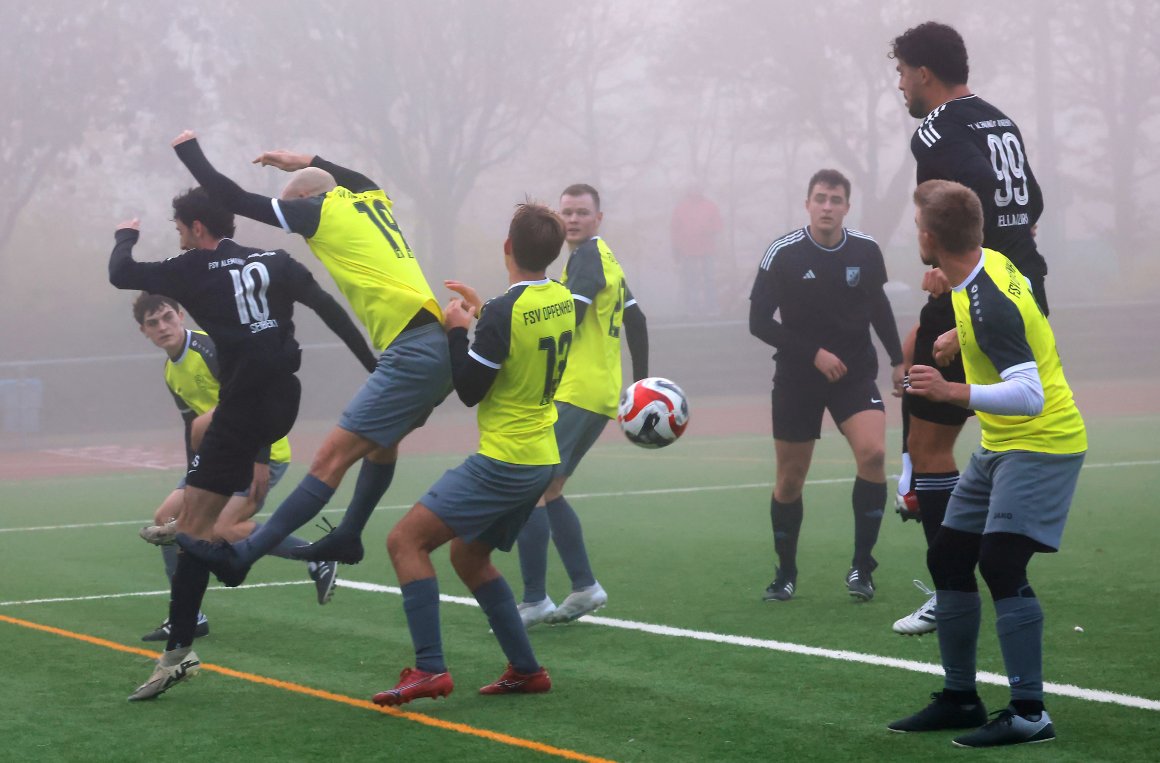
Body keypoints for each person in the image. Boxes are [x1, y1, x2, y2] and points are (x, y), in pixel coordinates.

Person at [111, 182, 376, 701]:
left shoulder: (188, 269)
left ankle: (197, 620)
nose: (181, 240)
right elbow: (329, 308)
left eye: (181, 230)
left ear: (198, 228)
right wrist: (374, 366)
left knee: (197, 529)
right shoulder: (275, 260)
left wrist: (125, 235)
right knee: (194, 521)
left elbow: (120, 272)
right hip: (282, 399)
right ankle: (185, 626)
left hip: (244, 410)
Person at [169, 132, 451, 583]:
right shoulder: (370, 199)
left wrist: (188, 151)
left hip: (413, 348)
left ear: (306, 199)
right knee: (381, 444)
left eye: (291, 206)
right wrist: (305, 159)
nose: (293, 222)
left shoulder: (320, 211)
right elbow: (356, 177)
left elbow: (233, 197)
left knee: (328, 460)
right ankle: (350, 533)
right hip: (431, 339)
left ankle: (243, 557)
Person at [889, 179, 1085, 747]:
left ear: (929, 236)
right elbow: (996, 314)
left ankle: (1029, 712)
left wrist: (951, 391)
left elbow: (1031, 396)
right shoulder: (988, 262)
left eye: (917, 226)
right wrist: (955, 334)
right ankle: (959, 698)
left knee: (999, 562)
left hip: (1042, 440)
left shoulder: (988, 301)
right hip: (1003, 445)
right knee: (950, 554)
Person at [371, 202, 574, 706]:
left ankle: (429, 669)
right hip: (540, 457)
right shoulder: (563, 297)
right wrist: (482, 314)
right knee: (468, 554)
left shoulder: (506, 311)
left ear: (507, 247)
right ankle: (526, 670)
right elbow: (520, 341)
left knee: (404, 542)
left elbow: (469, 389)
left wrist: (458, 328)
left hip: (505, 461)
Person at [888, 21, 1050, 636]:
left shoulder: (935, 129)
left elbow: (965, 199)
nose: (901, 86)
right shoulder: (999, 119)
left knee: (931, 447)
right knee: (1007, 431)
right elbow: (1029, 201)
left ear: (923, 73)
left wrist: (956, 287)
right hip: (1026, 287)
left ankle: (950, 584)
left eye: (902, 73)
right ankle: (989, 567)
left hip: (975, 289)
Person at [131, 292, 338, 645]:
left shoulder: (210, 350)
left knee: (223, 528)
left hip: (260, 451)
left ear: (181, 315)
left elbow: (256, 398)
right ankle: (189, 616)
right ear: (144, 331)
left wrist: (260, 458)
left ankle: (316, 554)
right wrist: (193, 474)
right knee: (165, 518)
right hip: (217, 456)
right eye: (153, 323)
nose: (163, 326)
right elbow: (191, 427)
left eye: (167, 317)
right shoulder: (171, 370)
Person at [748, 169, 904, 603]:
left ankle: (862, 568)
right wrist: (812, 352)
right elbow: (758, 322)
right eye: (820, 198)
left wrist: (897, 358)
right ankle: (786, 573)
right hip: (798, 378)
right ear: (807, 204)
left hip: (854, 374)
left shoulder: (867, 251)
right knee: (791, 480)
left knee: (873, 455)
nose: (828, 207)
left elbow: (878, 306)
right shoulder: (783, 253)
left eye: (836, 200)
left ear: (847, 207)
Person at [514, 184, 648, 628]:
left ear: (598, 218)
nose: (572, 219)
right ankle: (584, 587)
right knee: (548, 490)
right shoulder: (606, 257)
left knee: (529, 488)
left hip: (575, 392)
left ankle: (534, 599)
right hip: (598, 394)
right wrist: (640, 382)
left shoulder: (588, 258)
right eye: (566, 212)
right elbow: (637, 320)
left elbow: (566, 317)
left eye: (581, 212)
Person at [670, 187, 724, 315]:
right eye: (693, 189)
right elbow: (675, 230)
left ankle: (712, 307)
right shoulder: (681, 208)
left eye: (697, 188)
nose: (695, 192)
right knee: (690, 280)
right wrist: (676, 249)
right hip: (687, 250)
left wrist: (709, 230)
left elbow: (718, 225)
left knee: (709, 279)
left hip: (707, 249)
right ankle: (691, 308)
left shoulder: (710, 206)